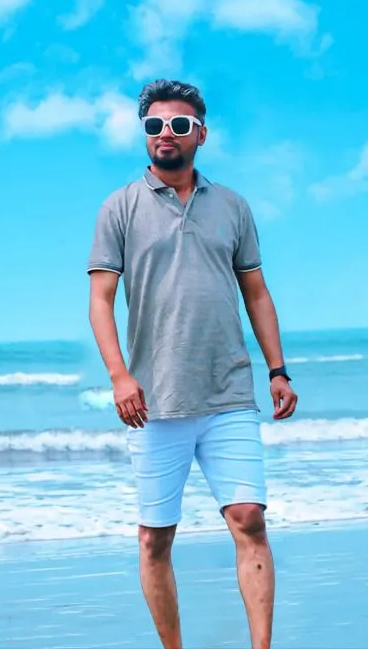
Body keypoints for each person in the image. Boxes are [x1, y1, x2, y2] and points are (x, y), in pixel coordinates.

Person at [87, 79, 298, 649]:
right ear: (145, 134)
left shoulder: (232, 207)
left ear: (200, 134)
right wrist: (119, 375)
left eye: (178, 125)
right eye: (154, 126)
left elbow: (256, 291)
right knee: (156, 538)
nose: (165, 135)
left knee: (249, 519)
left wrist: (277, 369)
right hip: (153, 402)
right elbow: (101, 300)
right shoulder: (120, 208)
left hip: (228, 390)